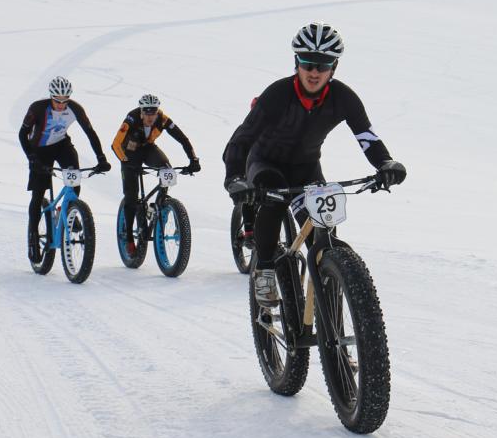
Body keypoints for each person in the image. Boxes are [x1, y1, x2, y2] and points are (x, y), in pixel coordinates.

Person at [222, 23, 407, 306]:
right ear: (297, 62)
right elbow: (241, 139)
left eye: (323, 65)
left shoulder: (343, 97)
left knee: (324, 231)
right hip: (265, 163)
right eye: (308, 63)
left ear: (334, 67)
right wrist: (235, 176)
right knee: (273, 200)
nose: (314, 72)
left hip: (306, 167)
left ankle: (328, 287)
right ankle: (265, 270)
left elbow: (366, 136)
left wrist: (385, 163)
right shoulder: (277, 94)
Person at [19, 76, 111, 256]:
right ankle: (33, 236)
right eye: (57, 101)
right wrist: (31, 158)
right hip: (39, 150)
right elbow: (23, 134)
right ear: (51, 97)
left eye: (65, 101)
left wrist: (101, 158)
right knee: (38, 194)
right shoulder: (37, 108)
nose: (61, 105)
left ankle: (68, 209)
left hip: (62, 145)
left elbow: (90, 133)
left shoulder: (75, 108)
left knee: (74, 180)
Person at [112, 93, 201, 256]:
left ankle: (158, 204)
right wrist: (125, 162)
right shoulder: (131, 118)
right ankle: (130, 239)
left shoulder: (162, 118)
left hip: (147, 149)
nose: (150, 117)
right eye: (147, 113)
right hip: (129, 154)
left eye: (153, 113)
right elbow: (116, 144)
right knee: (131, 197)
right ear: (141, 111)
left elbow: (183, 139)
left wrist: (193, 159)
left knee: (167, 170)